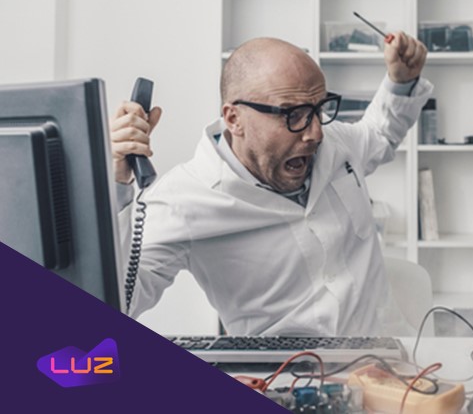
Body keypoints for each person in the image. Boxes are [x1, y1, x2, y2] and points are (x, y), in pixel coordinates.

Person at [111, 33, 432, 336]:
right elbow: (118, 303)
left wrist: (400, 82)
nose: (316, 133)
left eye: (318, 110)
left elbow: (379, 135)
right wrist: (115, 186)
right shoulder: (182, 199)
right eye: (293, 114)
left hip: (388, 356)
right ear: (234, 119)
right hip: (284, 371)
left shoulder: (335, 143)